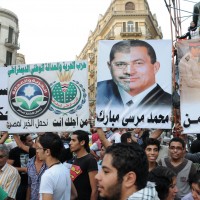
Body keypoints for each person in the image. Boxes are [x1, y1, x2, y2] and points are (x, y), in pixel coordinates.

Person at [96, 40, 171, 111]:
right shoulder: (100, 92)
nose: (129, 71)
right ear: (110, 67)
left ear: (155, 67)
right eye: (120, 64)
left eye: (138, 63)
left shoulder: (168, 103)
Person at [37, 132, 76, 200]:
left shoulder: (48, 175)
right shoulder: (65, 169)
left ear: (47, 152)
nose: (37, 151)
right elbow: (74, 194)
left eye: (38, 148)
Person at [70, 130, 98, 200]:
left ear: (82, 142)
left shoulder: (90, 160)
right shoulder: (76, 158)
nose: (70, 143)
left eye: (73, 140)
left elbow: (95, 189)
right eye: (71, 140)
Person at [8, 133, 35, 200]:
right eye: (29, 141)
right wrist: (22, 169)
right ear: (23, 142)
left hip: (32, 183)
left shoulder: (34, 151)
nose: (32, 142)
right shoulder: (14, 151)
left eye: (32, 140)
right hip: (19, 183)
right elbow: (8, 167)